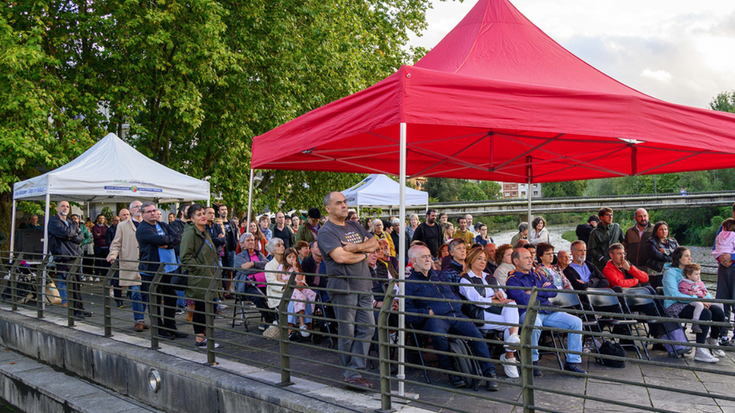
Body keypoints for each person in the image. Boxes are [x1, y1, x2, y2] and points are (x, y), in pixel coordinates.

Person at [405, 245, 500, 390]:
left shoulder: (439, 275)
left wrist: (455, 304)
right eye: (423, 257)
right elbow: (408, 312)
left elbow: (453, 294)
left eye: (429, 256)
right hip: (435, 318)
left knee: (476, 334)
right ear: (413, 260)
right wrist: (427, 312)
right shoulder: (409, 283)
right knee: (438, 335)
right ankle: (452, 372)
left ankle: (489, 373)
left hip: (455, 313)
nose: (428, 259)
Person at [318, 191, 378, 389]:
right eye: (339, 203)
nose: (344, 205)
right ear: (328, 209)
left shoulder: (354, 224)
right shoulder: (326, 231)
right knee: (348, 332)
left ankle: (356, 370)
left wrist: (356, 247)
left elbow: (375, 243)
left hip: (363, 285)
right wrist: (363, 253)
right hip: (344, 288)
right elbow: (341, 257)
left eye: (345, 202)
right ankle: (351, 374)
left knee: (368, 328)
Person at [505, 248, 586, 375]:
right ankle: (532, 362)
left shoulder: (536, 274)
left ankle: (572, 362)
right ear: (516, 261)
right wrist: (542, 291)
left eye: (530, 257)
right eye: (526, 258)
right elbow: (526, 300)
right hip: (527, 312)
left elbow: (553, 291)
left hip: (547, 311)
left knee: (576, 322)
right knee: (534, 324)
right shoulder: (512, 279)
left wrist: (533, 291)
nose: (530, 260)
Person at [459, 247, 520, 378]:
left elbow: (503, 296)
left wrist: (499, 294)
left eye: (485, 259)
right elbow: (477, 301)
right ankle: (510, 355)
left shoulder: (490, 277)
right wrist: (495, 301)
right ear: (471, 260)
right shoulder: (466, 279)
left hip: (495, 311)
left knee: (511, 305)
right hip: (479, 314)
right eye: (479, 258)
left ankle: (511, 349)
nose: (483, 262)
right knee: (511, 325)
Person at [663, 247, 727, 361]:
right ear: (678, 258)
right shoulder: (670, 274)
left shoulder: (692, 271)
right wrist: (696, 298)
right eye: (686, 256)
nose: (690, 258)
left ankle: (713, 339)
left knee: (718, 311)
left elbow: (702, 288)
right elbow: (674, 294)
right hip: (675, 305)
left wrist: (706, 299)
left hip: (695, 301)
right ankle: (700, 350)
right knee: (705, 313)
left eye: (690, 255)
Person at [136, 202, 186, 339]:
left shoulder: (163, 225)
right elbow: (158, 239)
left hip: (168, 269)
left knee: (171, 297)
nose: (153, 213)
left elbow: (178, 237)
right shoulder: (143, 229)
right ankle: (159, 329)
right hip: (152, 270)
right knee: (155, 300)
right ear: (143, 214)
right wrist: (167, 241)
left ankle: (170, 327)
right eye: (149, 211)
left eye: (154, 210)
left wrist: (167, 243)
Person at [180, 204, 219, 348]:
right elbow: (185, 256)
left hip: (210, 275)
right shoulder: (191, 233)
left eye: (203, 213)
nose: (203, 216)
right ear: (191, 218)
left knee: (210, 307)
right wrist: (200, 269)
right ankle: (200, 338)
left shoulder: (205, 231)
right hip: (200, 277)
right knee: (202, 308)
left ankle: (205, 336)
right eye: (198, 214)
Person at [48, 201, 90, 318]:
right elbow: (64, 234)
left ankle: (80, 308)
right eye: (62, 206)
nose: (65, 208)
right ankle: (74, 311)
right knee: (70, 284)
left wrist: (73, 235)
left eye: (67, 206)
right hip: (63, 256)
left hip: (75, 255)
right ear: (57, 208)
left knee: (77, 283)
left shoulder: (71, 222)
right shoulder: (53, 221)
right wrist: (73, 235)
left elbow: (81, 236)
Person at [108, 201, 145, 330]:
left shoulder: (150, 223)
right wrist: (112, 254)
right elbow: (116, 243)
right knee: (135, 292)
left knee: (145, 293)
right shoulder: (123, 225)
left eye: (141, 206)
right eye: (136, 207)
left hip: (148, 264)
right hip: (131, 263)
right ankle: (139, 320)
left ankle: (142, 317)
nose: (139, 209)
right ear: (130, 210)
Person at [283, 247, 316, 338]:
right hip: (289, 290)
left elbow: (301, 279)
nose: (292, 259)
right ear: (285, 258)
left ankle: (309, 323)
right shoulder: (282, 268)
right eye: (289, 257)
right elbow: (280, 280)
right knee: (297, 300)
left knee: (310, 297)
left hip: (299, 289)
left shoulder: (298, 268)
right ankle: (298, 326)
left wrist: (295, 269)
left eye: (294, 257)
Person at [679, 263, 722, 334]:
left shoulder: (699, 282)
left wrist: (705, 292)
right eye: (696, 274)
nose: (698, 276)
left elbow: (703, 289)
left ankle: (723, 320)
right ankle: (695, 322)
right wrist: (689, 293)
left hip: (702, 298)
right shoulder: (684, 283)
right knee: (699, 305)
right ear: (689, 275)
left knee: (719, 304)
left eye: (699, 274)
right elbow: (682, 290)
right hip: (692, 300)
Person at [645, 221, 679, 288]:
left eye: (665, 229)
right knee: (659, 290)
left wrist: (667, 251)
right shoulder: (651, 241)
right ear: (656, 231)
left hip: (672, 270)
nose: (664, 231)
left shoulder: (673, 241)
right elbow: (656, 255)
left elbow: (679, 253)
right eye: (661, 229)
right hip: (657, 270)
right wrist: (671, 258)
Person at [624, 208, 653, 273]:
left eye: (645, 216)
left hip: (649, 267)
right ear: (635, 218)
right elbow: (625, 247)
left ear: (648, 216)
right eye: (640, 216)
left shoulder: (654, 230)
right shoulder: (630, 231)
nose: (643, 218)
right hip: (632, 267)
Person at [105, 214, 124, 307]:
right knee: (117, 279)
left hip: (127, 256)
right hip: (117, 257)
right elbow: (109, 242)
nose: (117, 222)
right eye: (115, 220)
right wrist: (113, 253)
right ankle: (118, 299)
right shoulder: (111, 230)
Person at [91, 214, 110, 279]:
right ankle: (96, 275)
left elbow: (108, 236)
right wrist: (103, 235)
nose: (101, 219)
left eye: (103, 218)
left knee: (106, 262)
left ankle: (105, 276)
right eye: (100, 218)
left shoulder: (107, 227)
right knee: (97, 261)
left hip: (106, 247)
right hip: (98, 247)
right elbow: (96, 236)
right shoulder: (94, 227)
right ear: (97, 219)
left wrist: (100, 234)